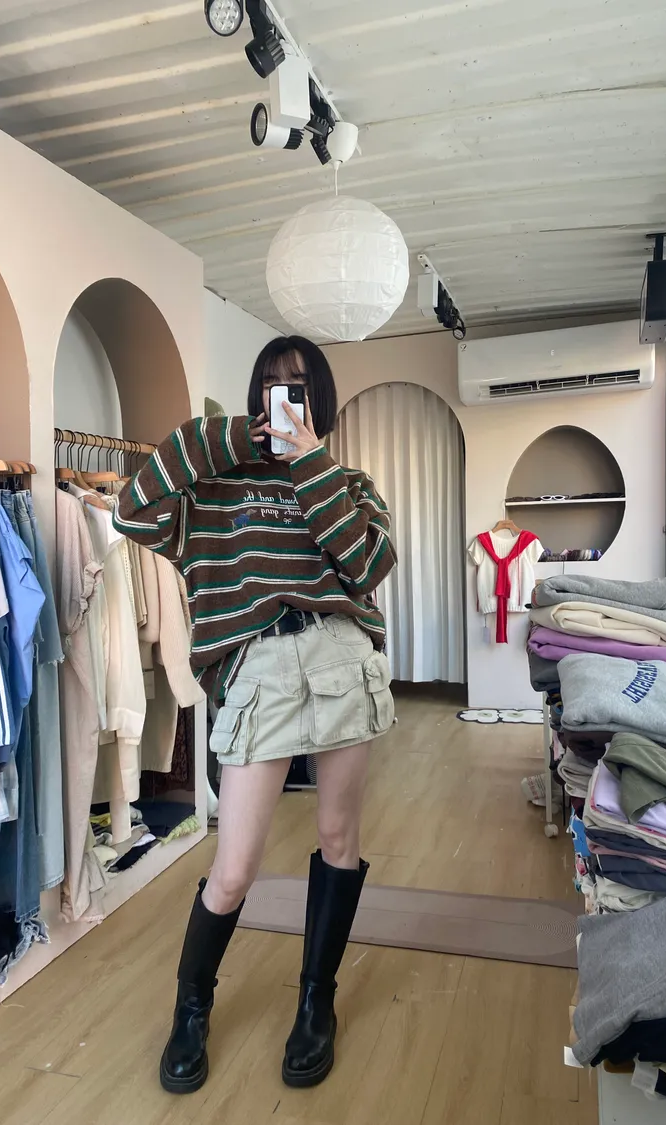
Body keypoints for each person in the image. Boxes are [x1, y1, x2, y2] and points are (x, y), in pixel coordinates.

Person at [113, 335, 397, 1094]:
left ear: (320, 398)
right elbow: (131, 509)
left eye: (297, 385)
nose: (284, 395)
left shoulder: (350, 483)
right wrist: (242, 435)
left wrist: (310, 462)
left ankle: (315, 1002)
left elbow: (368, 566)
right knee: (234, 866)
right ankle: (191, 1010)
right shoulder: (217, 484)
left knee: (338, 839)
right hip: (258, 667)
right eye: (272, 384)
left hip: (338, 654)